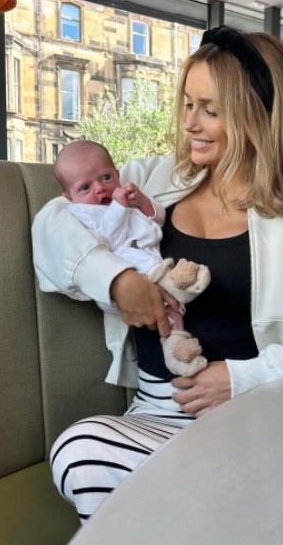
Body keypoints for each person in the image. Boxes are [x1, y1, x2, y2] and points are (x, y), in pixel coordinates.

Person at [32, 26, 283, 521]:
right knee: (79, 451)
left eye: (210, 110)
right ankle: (227, 513)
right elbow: (52, 222)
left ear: (259, 116)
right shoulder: (150, 178)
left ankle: (169, 544)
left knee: (97, 465)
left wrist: (240, 378)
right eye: (187, 104)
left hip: (253, 420)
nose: (190, 123)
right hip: (155, 418)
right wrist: (116, 279)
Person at [53, 138, 210, 377]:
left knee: (174, 312)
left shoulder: (128, 192)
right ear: (69, 197)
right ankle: (176, 347)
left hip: (150, 260)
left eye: (106, 178)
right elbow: (106, 237)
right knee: (164, 316)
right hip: (132, 271)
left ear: (117, 173)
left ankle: (181, 315)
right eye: (85, 187)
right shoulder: (82, 213)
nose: (99, 188)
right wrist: (118, 206)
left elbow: (156, 220)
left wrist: (144, 203)